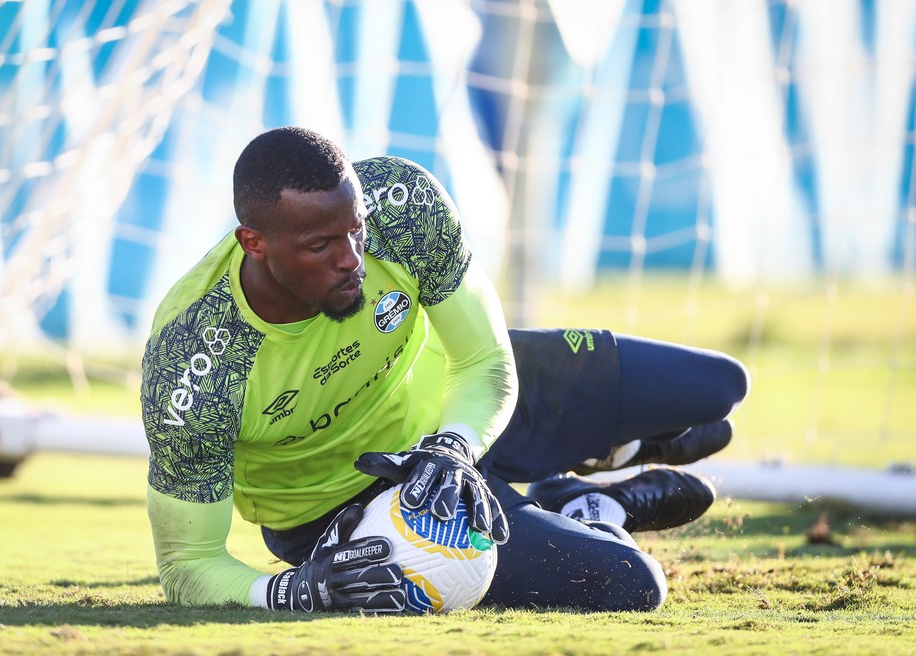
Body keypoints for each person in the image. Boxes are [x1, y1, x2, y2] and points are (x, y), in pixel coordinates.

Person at [140, 126, 749, 613]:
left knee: (717, 390)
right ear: (254, 243)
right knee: (634, 585)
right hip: (354, 502)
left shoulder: (401, 206)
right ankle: (589, 509)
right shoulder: (196, 364)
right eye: (321, 245)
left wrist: (455, 444)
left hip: (468, 401)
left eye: (355, 230)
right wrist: (287, 592)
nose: (353, 259)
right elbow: (187, 563)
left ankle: (572, 468)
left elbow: (485, 360)